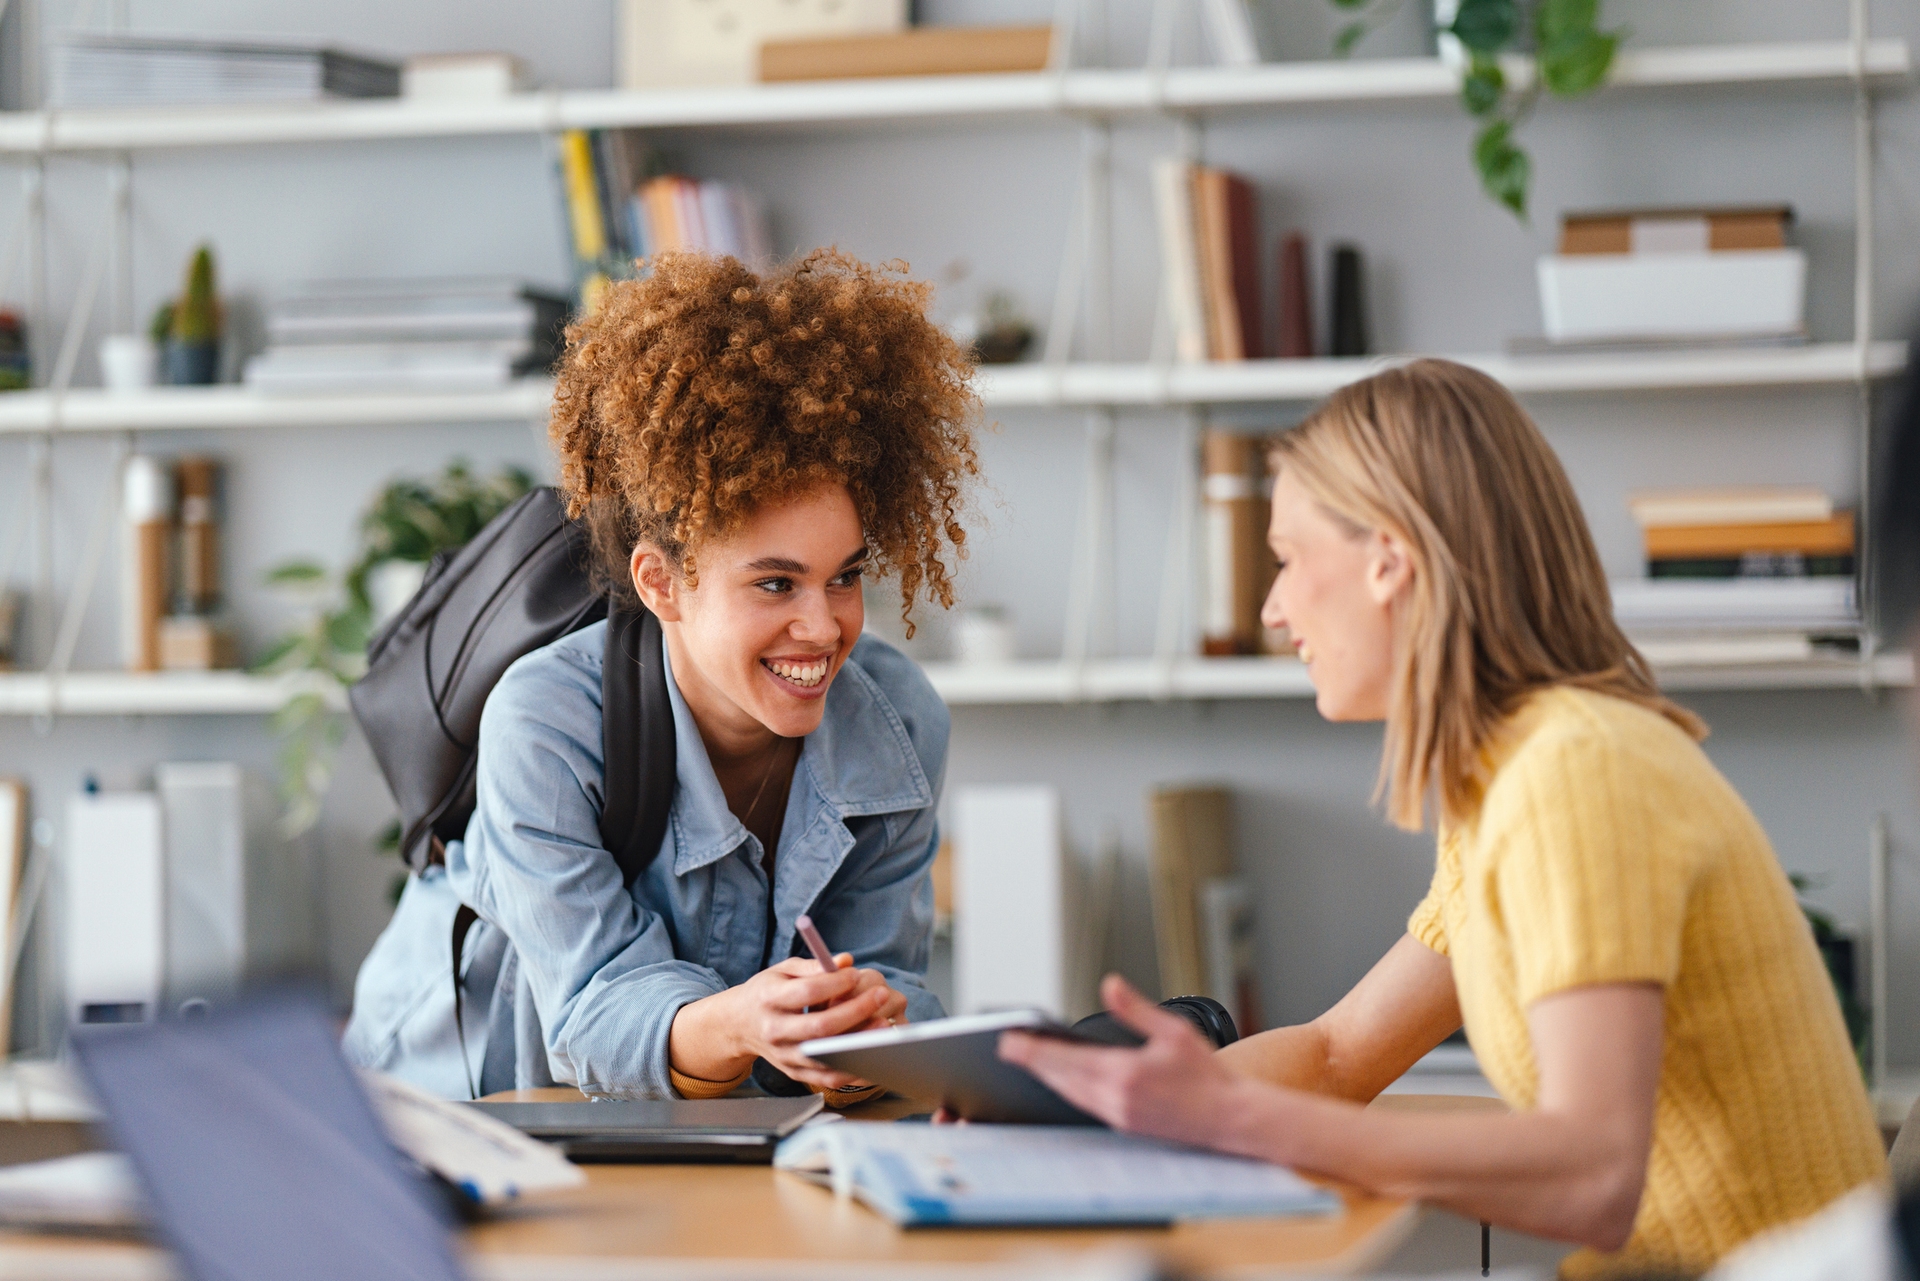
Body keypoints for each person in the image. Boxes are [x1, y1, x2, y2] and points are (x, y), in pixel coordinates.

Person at [1000, 358, 1886, 1279]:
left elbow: (1594, 1172)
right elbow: (1340, 1054)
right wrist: (1075, 1112)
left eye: (1288, 559)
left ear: (1389, 559)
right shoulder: (1511, 778)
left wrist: (1238, 1118)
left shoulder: (1577, 771)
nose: (1272, 606)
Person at [345, 249, 979, 1100]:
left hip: (690, 1129)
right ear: (661, 584)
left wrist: (871, 1033)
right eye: (775, 583)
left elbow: (888, 979)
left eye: (845, 576)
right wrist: (748, 1021)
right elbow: (591, 1015)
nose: (824, 626)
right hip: (454, 1096)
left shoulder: (898, 725)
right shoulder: (546, 722)